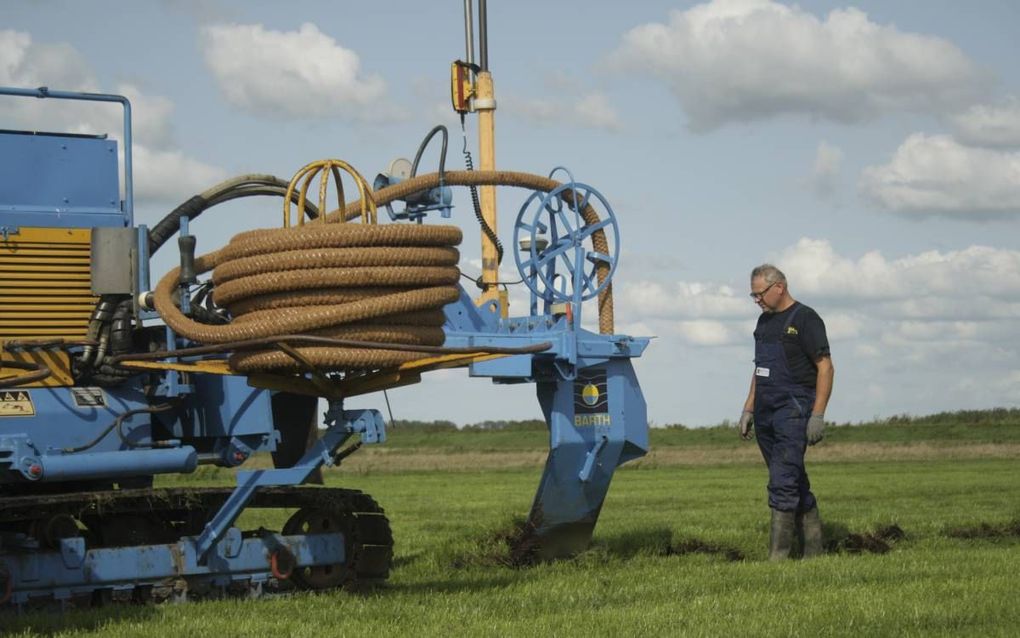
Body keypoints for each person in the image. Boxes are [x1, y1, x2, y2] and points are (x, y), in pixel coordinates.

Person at [738, 264, 833, 560]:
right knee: (790, 476)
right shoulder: (763, 322)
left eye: (759, 294)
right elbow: (759, 368)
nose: (757, 300)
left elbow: (825, 367)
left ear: (779, 286)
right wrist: (748, 407)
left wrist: (817, 414)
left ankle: (778, 557)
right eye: (753, 295)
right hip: (765, 409)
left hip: (793, 407)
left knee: (782, 479)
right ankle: (814, 550)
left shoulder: (806, 319)